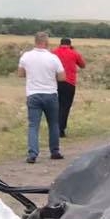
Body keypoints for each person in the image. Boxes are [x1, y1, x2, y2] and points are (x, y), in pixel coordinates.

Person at [18, 32, 66, 163]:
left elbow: (20, 74)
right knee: (53, 124)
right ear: (46, 42)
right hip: (50, 93)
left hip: (33, 93)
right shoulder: (53, 58)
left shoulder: (26, 56)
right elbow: (62, 77)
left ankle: (32, 153)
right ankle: (54, 151)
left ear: (35, 42)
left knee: (33, 125)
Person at [52, 37, 85, 137]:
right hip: (69, 83)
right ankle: (61, 129)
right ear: (70, 44)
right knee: (65, 106)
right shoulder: (74, 53)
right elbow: (82, 65)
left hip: (55, 82)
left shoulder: (53, 52)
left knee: (55, 106)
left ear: (60, 44)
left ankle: (54, 127)